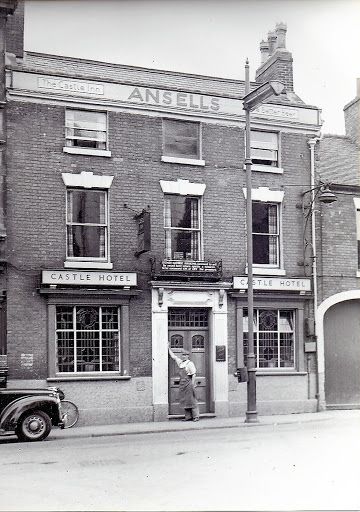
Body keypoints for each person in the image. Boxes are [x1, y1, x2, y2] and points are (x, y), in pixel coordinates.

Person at [168, 345, 200, 422]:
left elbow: (194, 374)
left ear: (188, 356)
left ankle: (196, 416)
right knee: (185, 400)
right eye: (183, 355)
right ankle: (188, 417)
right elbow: (174, 357)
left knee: (192, 400)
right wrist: (168, 348)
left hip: (189, 383)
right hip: (182, 384)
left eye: (185, 355)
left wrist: (192, 384)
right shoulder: (181, 362)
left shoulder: (190, 363)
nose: (184, 356)